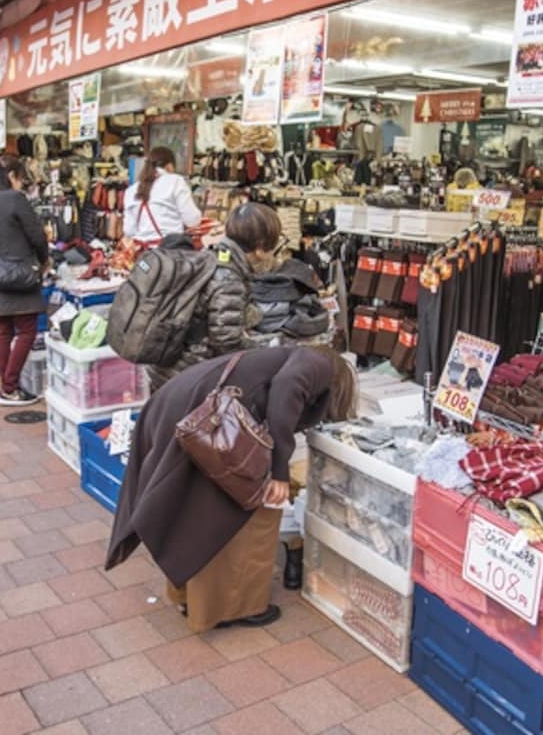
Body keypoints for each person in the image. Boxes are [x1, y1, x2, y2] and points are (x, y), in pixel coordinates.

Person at [106, 345, 357, 633]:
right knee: (235, 515)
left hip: (183, 407)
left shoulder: (289, 355)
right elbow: (286, 390)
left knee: (193, 510)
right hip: (199, 416)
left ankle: (188, 595)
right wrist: (279, 472)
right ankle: (230, 607)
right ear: (338, 385)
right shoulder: (319, 365)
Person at [147, 202, 282, 391]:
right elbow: (226, 341)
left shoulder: (212, 254)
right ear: (260, 247)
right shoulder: (228, 277)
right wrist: (268, 353)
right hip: (186, 374)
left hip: (165, 365)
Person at [0, 155, 48, 406]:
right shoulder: (15, 199)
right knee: (27, 329)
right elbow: (37, 235)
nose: (21, 184)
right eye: (20, 178)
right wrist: (44, 260)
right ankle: (10, 387)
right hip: (20, 272)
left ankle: (7, 386)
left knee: (3, 329)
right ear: (11, 176)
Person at [122, 146, 201, 245]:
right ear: (169, 166)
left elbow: (129, 230)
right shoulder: (176, 181)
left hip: (143, 254)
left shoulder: (130, 191)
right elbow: (192, 220)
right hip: (170, 252)